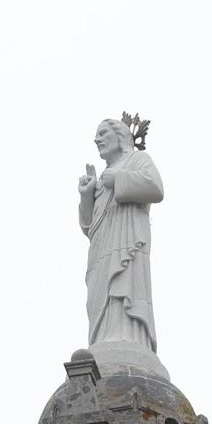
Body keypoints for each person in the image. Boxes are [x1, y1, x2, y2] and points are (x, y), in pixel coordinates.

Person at [79, 117, 164, 354]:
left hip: (127, 245)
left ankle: (131, 343)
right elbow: (89, 228)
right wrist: (87, 196)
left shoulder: (137, 159)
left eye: (103, 133)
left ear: (121, 136)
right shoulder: (103, 177)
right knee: (99, 297)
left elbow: (156, 188)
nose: (97, 139)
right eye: (97, 135)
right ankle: (101, 342)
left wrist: (118, 179)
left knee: (124, 287)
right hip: (100, 252)